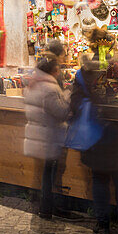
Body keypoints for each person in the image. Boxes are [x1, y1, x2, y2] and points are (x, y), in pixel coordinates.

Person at [72, 57, 118, 234]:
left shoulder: (82, 88)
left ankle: (104, 225)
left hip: (96, 141)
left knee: (100, 182)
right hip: (117, 139)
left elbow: (74, 110)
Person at [23, 52, 70, 219]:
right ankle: (47, 208)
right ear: (52, 71)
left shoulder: (33, 84)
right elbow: (61, 113)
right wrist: (68, 97)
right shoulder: (50, 88)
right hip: (48, 136)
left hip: (38, 135)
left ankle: (43, 206)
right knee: (49, 173)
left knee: (44, 172)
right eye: (57, 68)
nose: (59, 70)